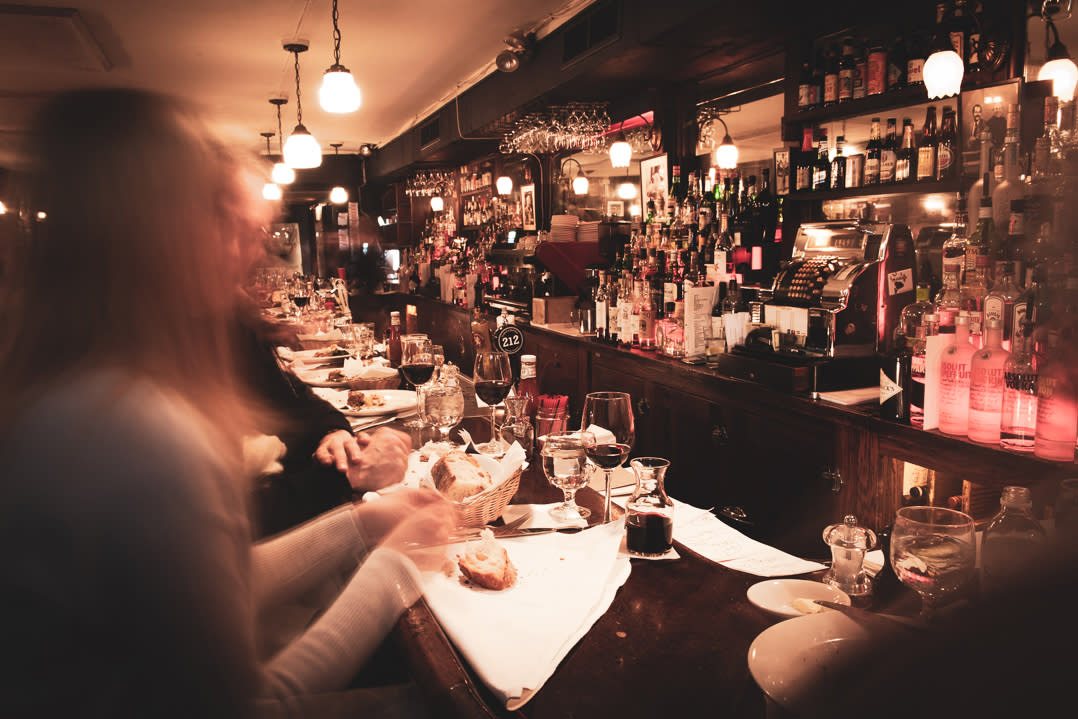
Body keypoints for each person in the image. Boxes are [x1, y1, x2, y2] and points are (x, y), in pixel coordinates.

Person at [0, 88, 455, 718]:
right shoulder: (136, 435)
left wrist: (362, 524)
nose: (256, 255)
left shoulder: (66, 394)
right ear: (165, 232)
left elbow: (210, 587)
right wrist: (397, 568)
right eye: (236, 226)